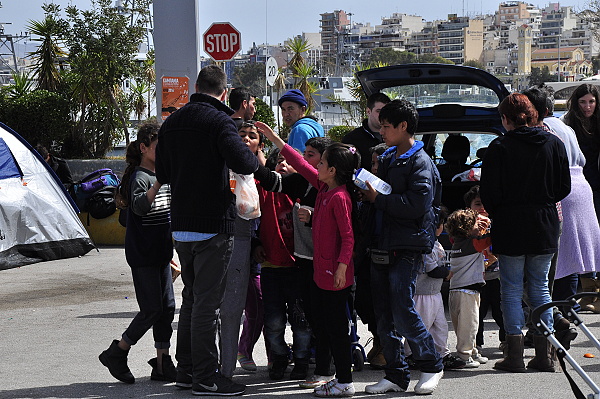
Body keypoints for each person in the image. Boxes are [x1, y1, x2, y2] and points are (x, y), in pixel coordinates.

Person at [155, 64, 258, 396]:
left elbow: (166, 173)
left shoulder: (172, 123)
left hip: (182, 225)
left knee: (191, 298)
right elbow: (246, 163)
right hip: (213, 225)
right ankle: (205, 376)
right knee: (207, 304)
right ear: (224, 92)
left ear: (196, 87)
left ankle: (186, 371)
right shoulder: (219, 123)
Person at [258, 120, 360, 398]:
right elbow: (301, 165)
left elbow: (349, 238)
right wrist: (275, 138)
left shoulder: (339, 196)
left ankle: (345, 382)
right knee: (324, 327)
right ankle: (332, 377)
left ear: (332, 170)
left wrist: (341, 268)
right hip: (320, 274)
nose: (315, 165)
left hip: (335, 276)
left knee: (338, 331)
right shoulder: (324, 188)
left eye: (321, 161)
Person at [480, 93, 570, 373]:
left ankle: (515, 354)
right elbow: (563, 187)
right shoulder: (553, 143)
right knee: (540, 286)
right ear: (534, 115)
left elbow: (489, 193)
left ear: (505, 119)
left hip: (510, 223)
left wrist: (501, 211)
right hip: (544, 222)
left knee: (511, 288)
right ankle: (545, 354)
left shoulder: (499, 147)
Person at [360, 99, 444, 395]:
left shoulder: (420, 162)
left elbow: (417, 204)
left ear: (402, 126)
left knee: (403, 310)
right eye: (381, 125)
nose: (381, 131)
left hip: (407, 247)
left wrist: (377, 199)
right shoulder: (388, 158)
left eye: (385, 126)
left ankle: (432, 366)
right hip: (381, 244)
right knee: (383, 314)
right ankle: (396, 375)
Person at [98, 122, 175, 384]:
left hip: (161, 252)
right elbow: (140, 207)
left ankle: (163, 362)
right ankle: (117, 351)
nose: (163, 152)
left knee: (167, 308)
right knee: (151, 309)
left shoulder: (160, 176)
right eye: (157, 147)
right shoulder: (140, 178)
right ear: (143, 148)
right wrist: (158, 184)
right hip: (143, 254)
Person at [253, 147, 312, 381]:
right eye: (279, 161)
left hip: (299, 269)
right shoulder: (266, 191)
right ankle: (278, 358)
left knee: (301, 321)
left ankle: (301, 360)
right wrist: (255, 243)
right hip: (271, 268)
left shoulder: (305, 193)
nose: (283, 165)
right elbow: (252, 219)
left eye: (290, 162)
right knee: (274, 320)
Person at [218, 120, 264, 379]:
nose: (247, 139)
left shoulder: (263, 171)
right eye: (241, 135)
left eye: (252, 136)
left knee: (257, 305)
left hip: (257, 245)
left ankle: (244, 349)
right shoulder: (225, 166)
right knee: (225, 305)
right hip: (230, 240)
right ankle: (223, 364)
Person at [404, 205, 466, 371]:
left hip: (435, 293)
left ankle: (442, 353)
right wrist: (446, 273)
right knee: (421, 325)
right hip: (423, 294)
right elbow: (432, 270)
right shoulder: (426, 246)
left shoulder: (436, 244)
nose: (443, 227)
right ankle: (411, 354)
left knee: (440, 325)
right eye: (440, 224)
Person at [561, 83, 600, 312]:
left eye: (591, 101)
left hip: (596, 185)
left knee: (595, 237)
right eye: (583, 101)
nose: (587, 106)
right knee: (584, 237)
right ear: (575, 102)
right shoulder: (568, 124)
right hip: (577, 188)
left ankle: (594, 292)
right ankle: (588, 292)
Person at [353, 143, 388, 369]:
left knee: (382, 303)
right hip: (366, 252)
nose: (373, 168)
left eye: (376, 163)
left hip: (385, 252)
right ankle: (379, 339)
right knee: (365, 301)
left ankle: (387, 347)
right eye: (372, 162)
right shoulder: (368, 192)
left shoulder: (391, 191)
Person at [445, 208, 490, 368]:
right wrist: (488, 221)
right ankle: (465, 356)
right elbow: (490, 239)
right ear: (469, 228)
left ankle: (472, 352)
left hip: (455, 290)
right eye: (477, 224)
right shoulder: (473, 243)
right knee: (470, 326)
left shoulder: (456, 241)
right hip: (468, 292)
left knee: (462, 325)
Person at [465, 185, 506, 353]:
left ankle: (506, 340)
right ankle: (477, 343)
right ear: (469, 208)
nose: (482, 208)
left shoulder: (496, 224)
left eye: (485, 204)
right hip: (475, 278)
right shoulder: (466, 227)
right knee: (477, 314)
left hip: (496, 276)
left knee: (501, 311)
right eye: (477, 204)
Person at [342, 93, 391, 170]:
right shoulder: (352, 139)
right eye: (378, 111)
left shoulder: (395, 136)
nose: (383, 115)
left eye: (386, 111)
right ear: (368, 111)